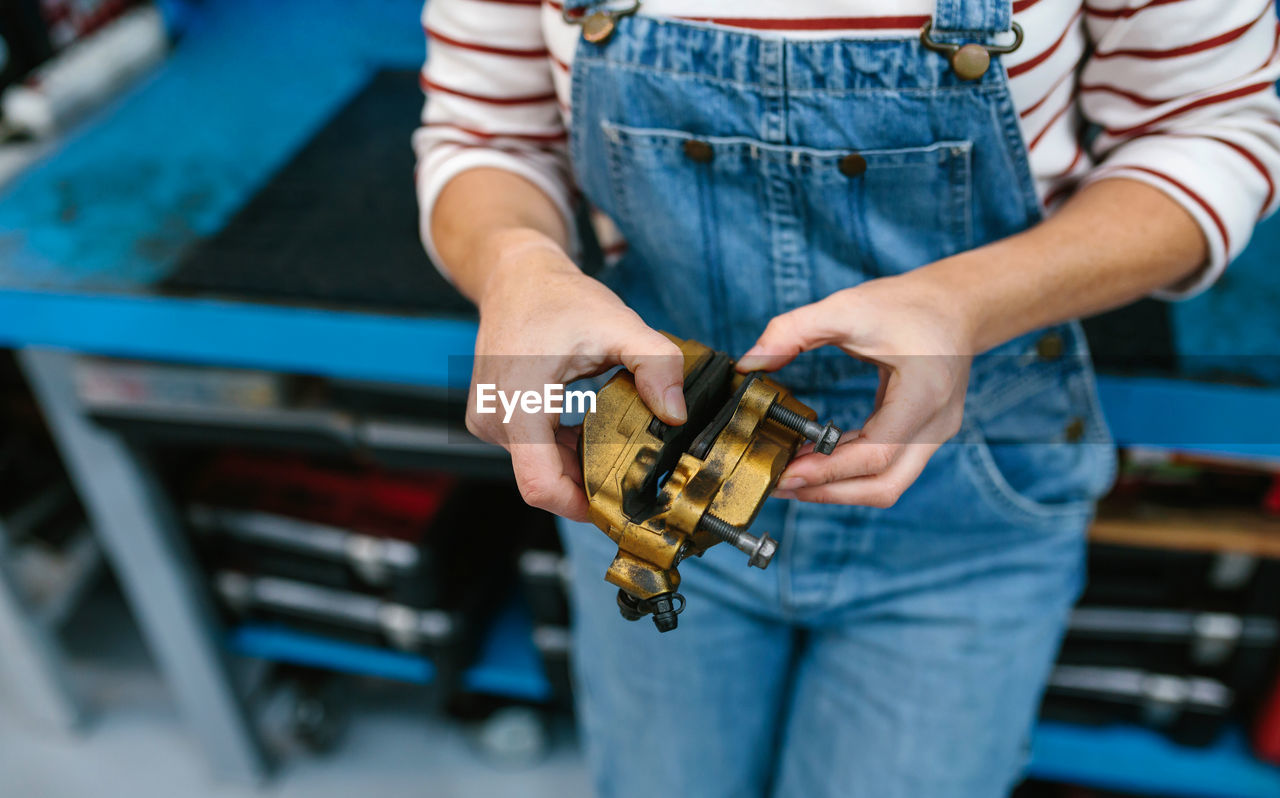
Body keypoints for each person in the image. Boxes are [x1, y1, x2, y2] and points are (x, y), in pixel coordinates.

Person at [415, 2, 1280, 796]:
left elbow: (1213, 132)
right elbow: (485, 136)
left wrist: (964, 304)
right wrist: (514, 265)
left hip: (967, 500)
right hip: (651, 470)